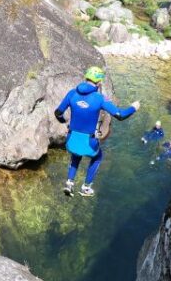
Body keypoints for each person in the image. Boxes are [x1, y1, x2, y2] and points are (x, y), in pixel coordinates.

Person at [54, 66, 140, 197]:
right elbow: (120, 115)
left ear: (86, 78)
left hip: (71, 139)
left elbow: (58, 113)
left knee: (76, 154)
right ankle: (86, 187)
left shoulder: (72, 93)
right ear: (99, 82)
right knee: (97, 157)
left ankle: (69, 183)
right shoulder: (99, 98)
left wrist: (64, 121)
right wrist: (133, 107)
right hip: (88, 142)